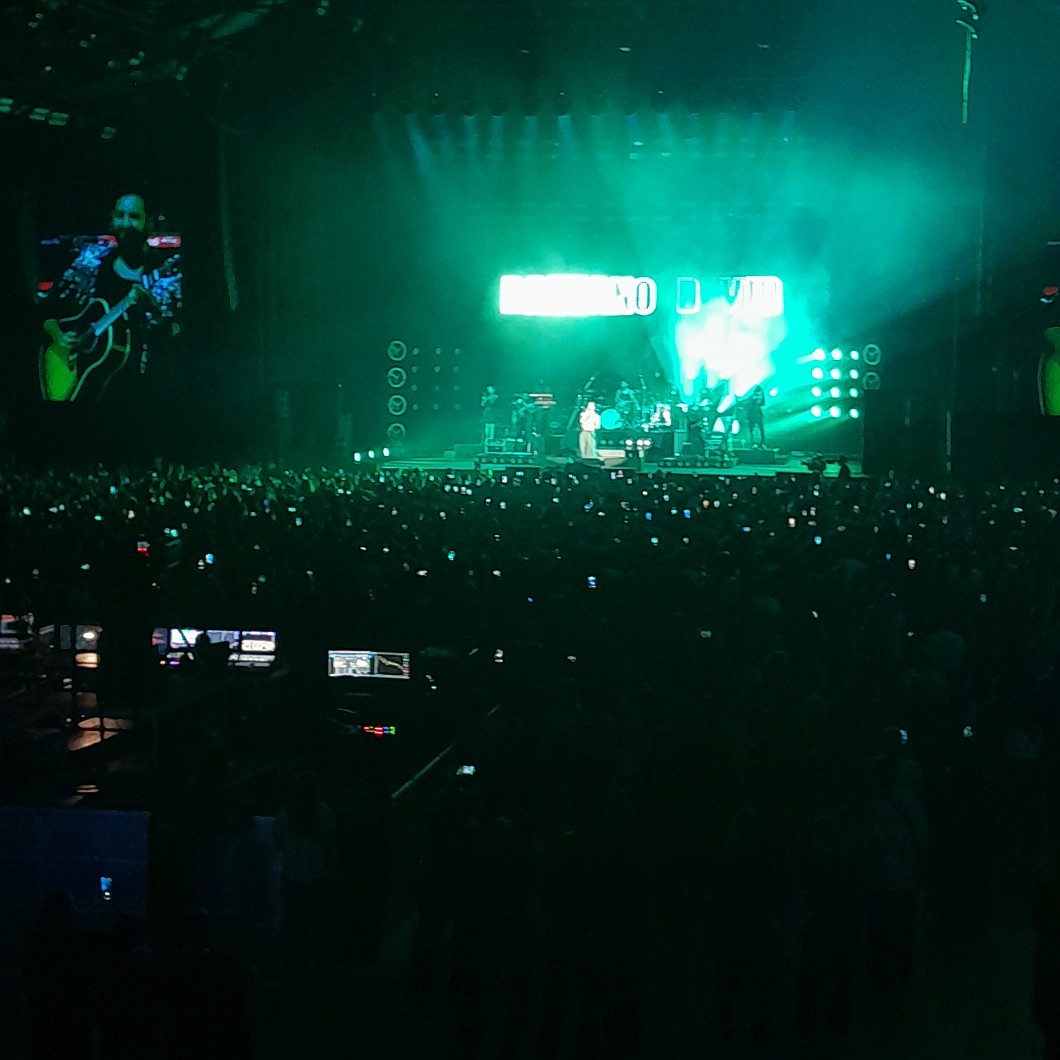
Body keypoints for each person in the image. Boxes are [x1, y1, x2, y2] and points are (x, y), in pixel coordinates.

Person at [39, 193, 183, 402]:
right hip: (91, 389)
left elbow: (176, 331)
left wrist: (154, 309)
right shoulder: (90, 265)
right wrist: (60, 336)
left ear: (149, 222)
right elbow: (46, 313)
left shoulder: (164, 272)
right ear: (111, 219)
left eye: (134, 216)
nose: (126, 223)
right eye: (120, 215)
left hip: (145, 390)